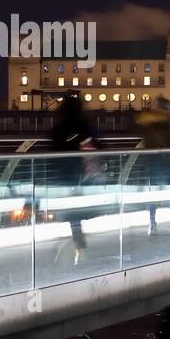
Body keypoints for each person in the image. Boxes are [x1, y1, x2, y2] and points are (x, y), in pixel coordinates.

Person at [48, 94, 97, 264]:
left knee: (71, 213)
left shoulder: (59, 126)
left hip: (63, 175)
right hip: (81, 174)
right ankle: (79, 245)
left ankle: (77, 245)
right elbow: (97, 144)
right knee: (75, 212)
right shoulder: (83, 124)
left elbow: (52, 150)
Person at [134, 98, 170, 234]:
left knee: (153, 193)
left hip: (151, 161)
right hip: (167, 161)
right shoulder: (169, 122)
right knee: (169, 192)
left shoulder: (149, 122)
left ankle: (152, 223)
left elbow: (145, 140)